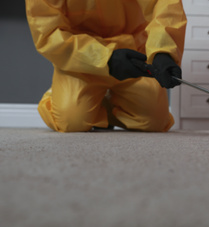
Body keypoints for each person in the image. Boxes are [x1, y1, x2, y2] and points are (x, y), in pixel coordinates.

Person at [25, 0, 187, 132]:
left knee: (154, 121)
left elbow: (163, 3)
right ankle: (56, 96)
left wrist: (163, 51)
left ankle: (102, 106)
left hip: (132, 50)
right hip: (81, 57)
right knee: (71, 121)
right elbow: (48, 32)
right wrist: (106, 59)